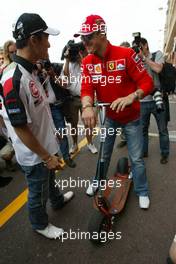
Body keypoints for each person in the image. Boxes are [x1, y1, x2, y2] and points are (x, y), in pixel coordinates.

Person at [0, 13, 74, 239]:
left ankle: (58, 200)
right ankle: (40, 224)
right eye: (46, 38)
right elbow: (20, 128)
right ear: (33, 40)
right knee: (37, 192)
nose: (49, 43)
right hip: (35, 155)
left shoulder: (30, 69)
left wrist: (51, 146)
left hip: (44, 146)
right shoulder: (13, 79)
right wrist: (45, 156)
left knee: (50, 180)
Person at [75, 14, 154, 208]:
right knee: (103, 155)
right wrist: (86, 106)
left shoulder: (126, 54)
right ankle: (98, 181)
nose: (84, 42)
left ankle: (142, 190)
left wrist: (131, 97)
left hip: (132, 118)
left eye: (88, 37)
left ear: (102, 34)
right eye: (82, 38)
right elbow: (87, 88)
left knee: (136, 158)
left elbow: (147, 82)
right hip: (109, 117)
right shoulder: (87, 62)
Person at [36, 60, 76, 168]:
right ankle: (53, 158)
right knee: (47, 135)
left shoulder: (54, 68)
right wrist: (39, 73)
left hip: (55, 107)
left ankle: (66, 157)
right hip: (42, 109)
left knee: (61, 132)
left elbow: (64, 83)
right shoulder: (32, 74)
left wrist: (52, 74)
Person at [62, 41, 98, 154]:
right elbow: (66, 77)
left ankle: (90, 143)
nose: (76, 55)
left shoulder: (87, 61)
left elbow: (91, 73)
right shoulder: (69, 64)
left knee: (88, 123)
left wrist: (82, 59)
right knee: (73, 124)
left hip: (85, 99)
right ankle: (74, 144)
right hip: (72, 98)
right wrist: (67, 60)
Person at [139, 38, 170, 164]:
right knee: (142, 130)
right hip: (143, 101)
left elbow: (158, 69)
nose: (139, 49)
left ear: (146, 45)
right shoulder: (136, 59)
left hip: (158, 98)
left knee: (162, 129)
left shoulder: (157, 54)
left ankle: (164, 153)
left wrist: (145, 58)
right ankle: (143, 151)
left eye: (141, 46)